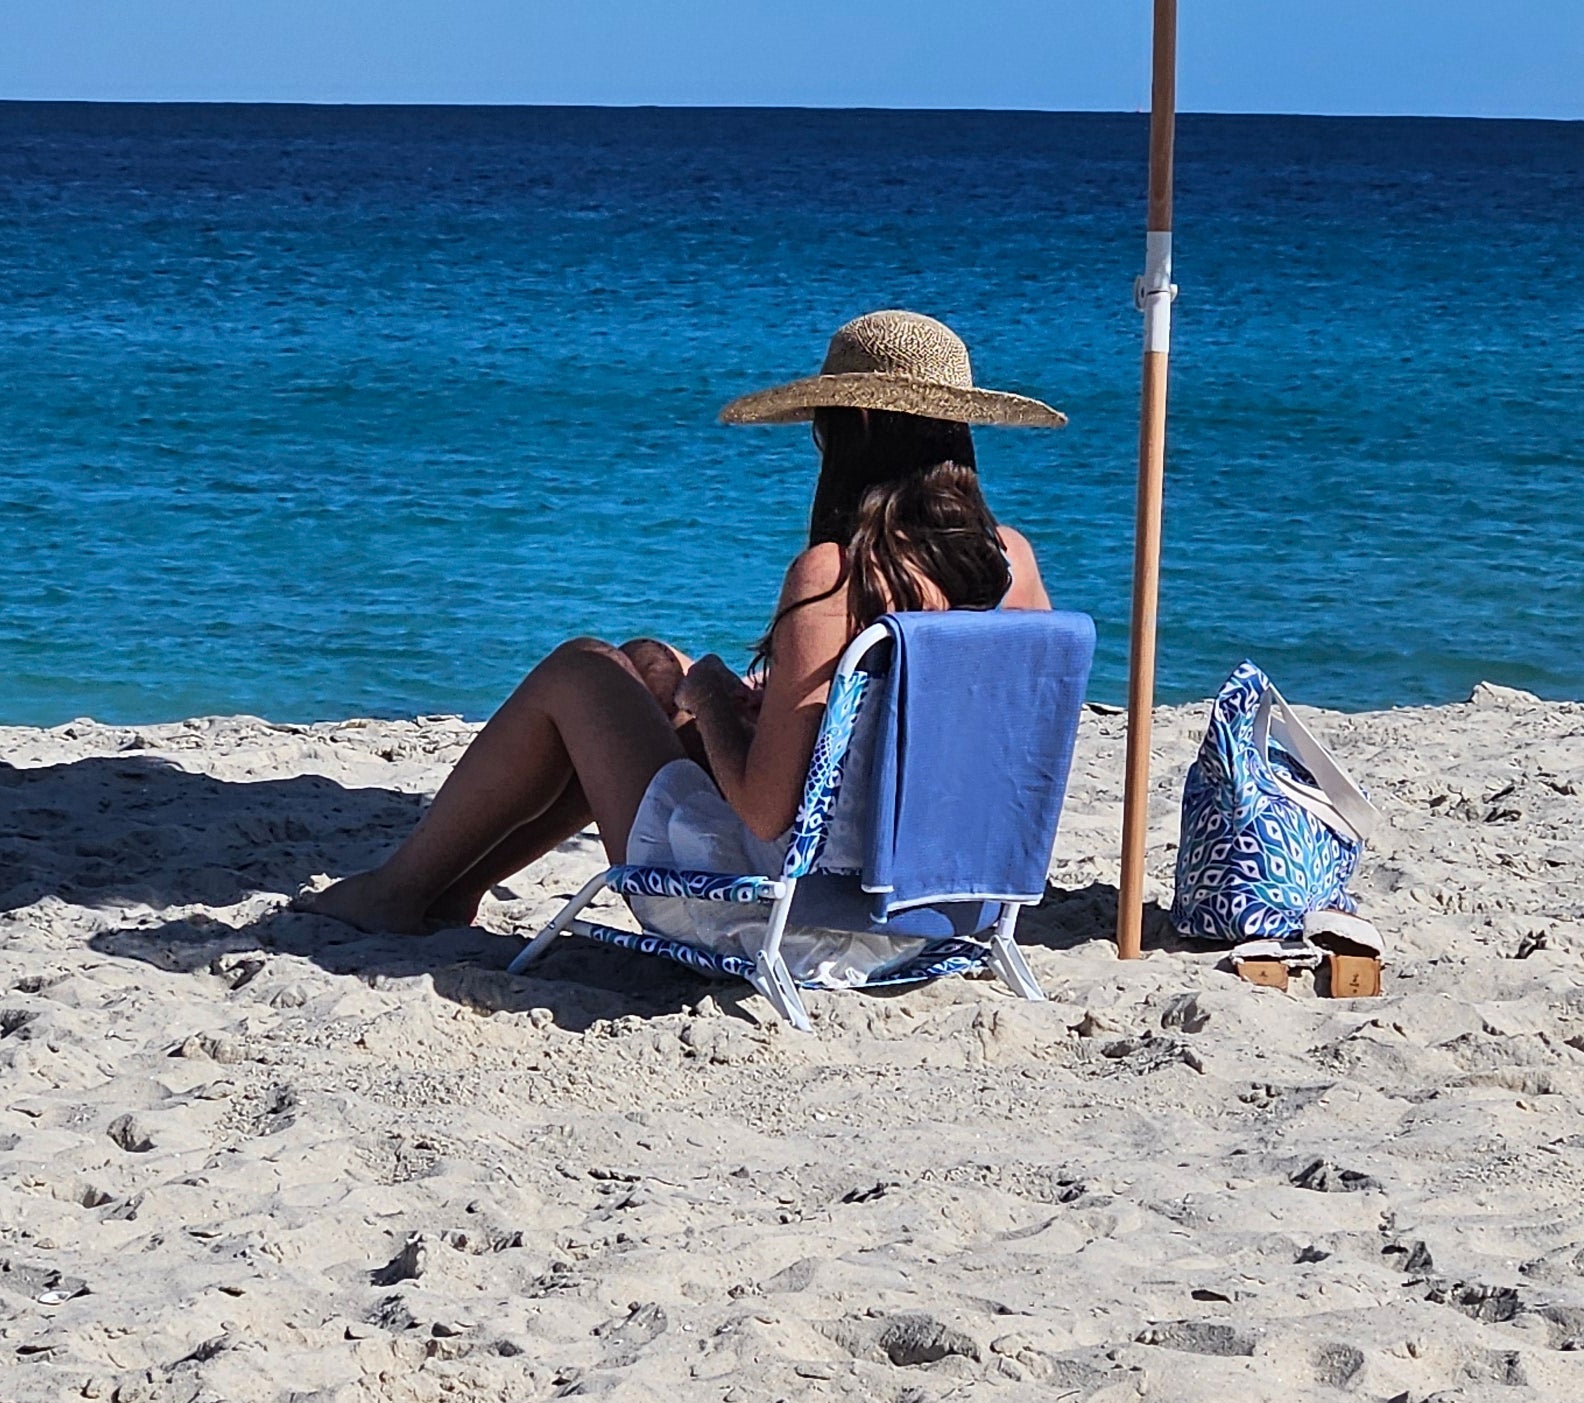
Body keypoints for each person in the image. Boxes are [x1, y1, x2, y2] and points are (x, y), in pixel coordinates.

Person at [307, 308, 1062, 934]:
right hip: (938, 904)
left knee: (582, 670)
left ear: (855, 419)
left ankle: (399, 890)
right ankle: (452, 888)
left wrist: (708, 700)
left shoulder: (835, 574)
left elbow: (765, 813)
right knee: (646, 662)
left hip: (794, 914)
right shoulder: (1011, 564)